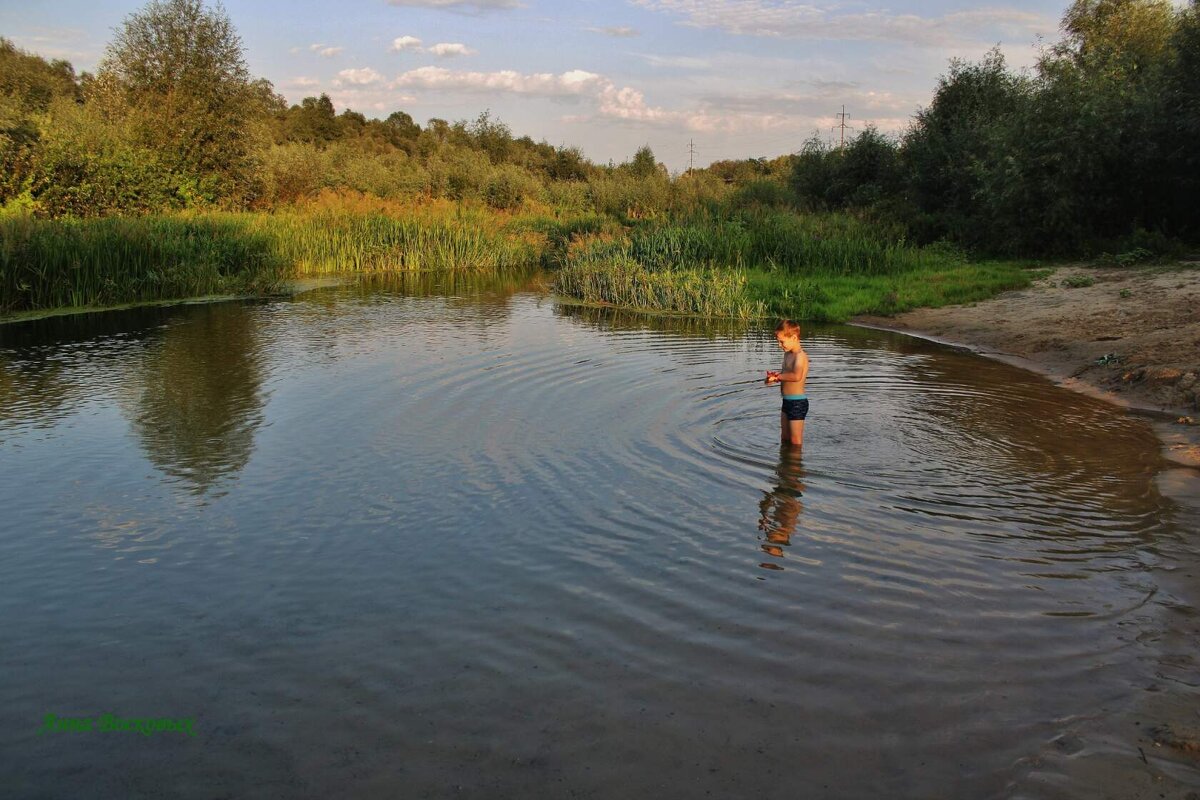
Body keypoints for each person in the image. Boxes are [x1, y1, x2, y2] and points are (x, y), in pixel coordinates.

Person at [765, 319, 809, 448]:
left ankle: (795, 466)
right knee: (784, 438)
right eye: (778, 341)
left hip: (797, 403)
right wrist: (772, 378)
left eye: (782, 341)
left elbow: (796, 376)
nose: (779, 345)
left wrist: (778, 377)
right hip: (787, 401)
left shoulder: (800, 357)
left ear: (794, 337)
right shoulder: (787, 355)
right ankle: (785, 465)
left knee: (795, 441)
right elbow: (786, 375)